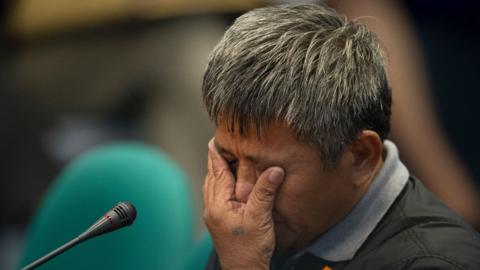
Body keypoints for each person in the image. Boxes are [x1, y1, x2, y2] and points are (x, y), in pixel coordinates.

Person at [201, 4, 480, 270]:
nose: (242, 195)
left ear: (361, 156)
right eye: (230, 161)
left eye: (270, 171)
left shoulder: (436, 263)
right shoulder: (254, 229)